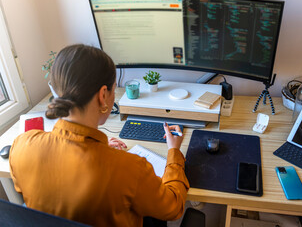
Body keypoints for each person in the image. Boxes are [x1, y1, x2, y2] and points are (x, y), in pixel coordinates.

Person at [9, 44, 189, 227]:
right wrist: (174, 152)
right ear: (103, 95)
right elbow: (172, 207)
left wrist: (100, 150)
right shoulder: (129, 168)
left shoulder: (22, 146)